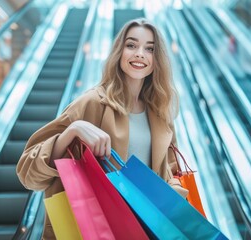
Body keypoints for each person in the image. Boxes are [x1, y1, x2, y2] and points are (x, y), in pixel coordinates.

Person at [16, 18, 188, 239]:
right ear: (119, 52)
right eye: (131, 45)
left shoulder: (160, 113)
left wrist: (172, 191)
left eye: (150, 49)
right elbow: (27, 173)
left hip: (148, 229)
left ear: (157, 59)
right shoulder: (93, 103)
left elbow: (170, 171)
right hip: (97, 228)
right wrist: (72, 131)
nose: (140, 54)